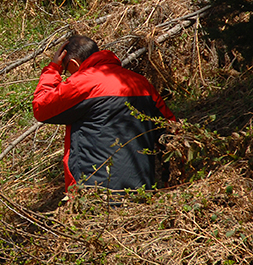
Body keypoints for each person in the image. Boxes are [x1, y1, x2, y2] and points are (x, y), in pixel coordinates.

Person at [32, 35, 176, 193]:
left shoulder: (83, 83)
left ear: (73, 63)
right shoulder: (141, 83)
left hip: (94, 192)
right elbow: (171, 132)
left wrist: (53, 69)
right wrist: (170, 183)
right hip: (142, 191)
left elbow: (41, 107)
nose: (69, 76)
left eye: (67, 70)